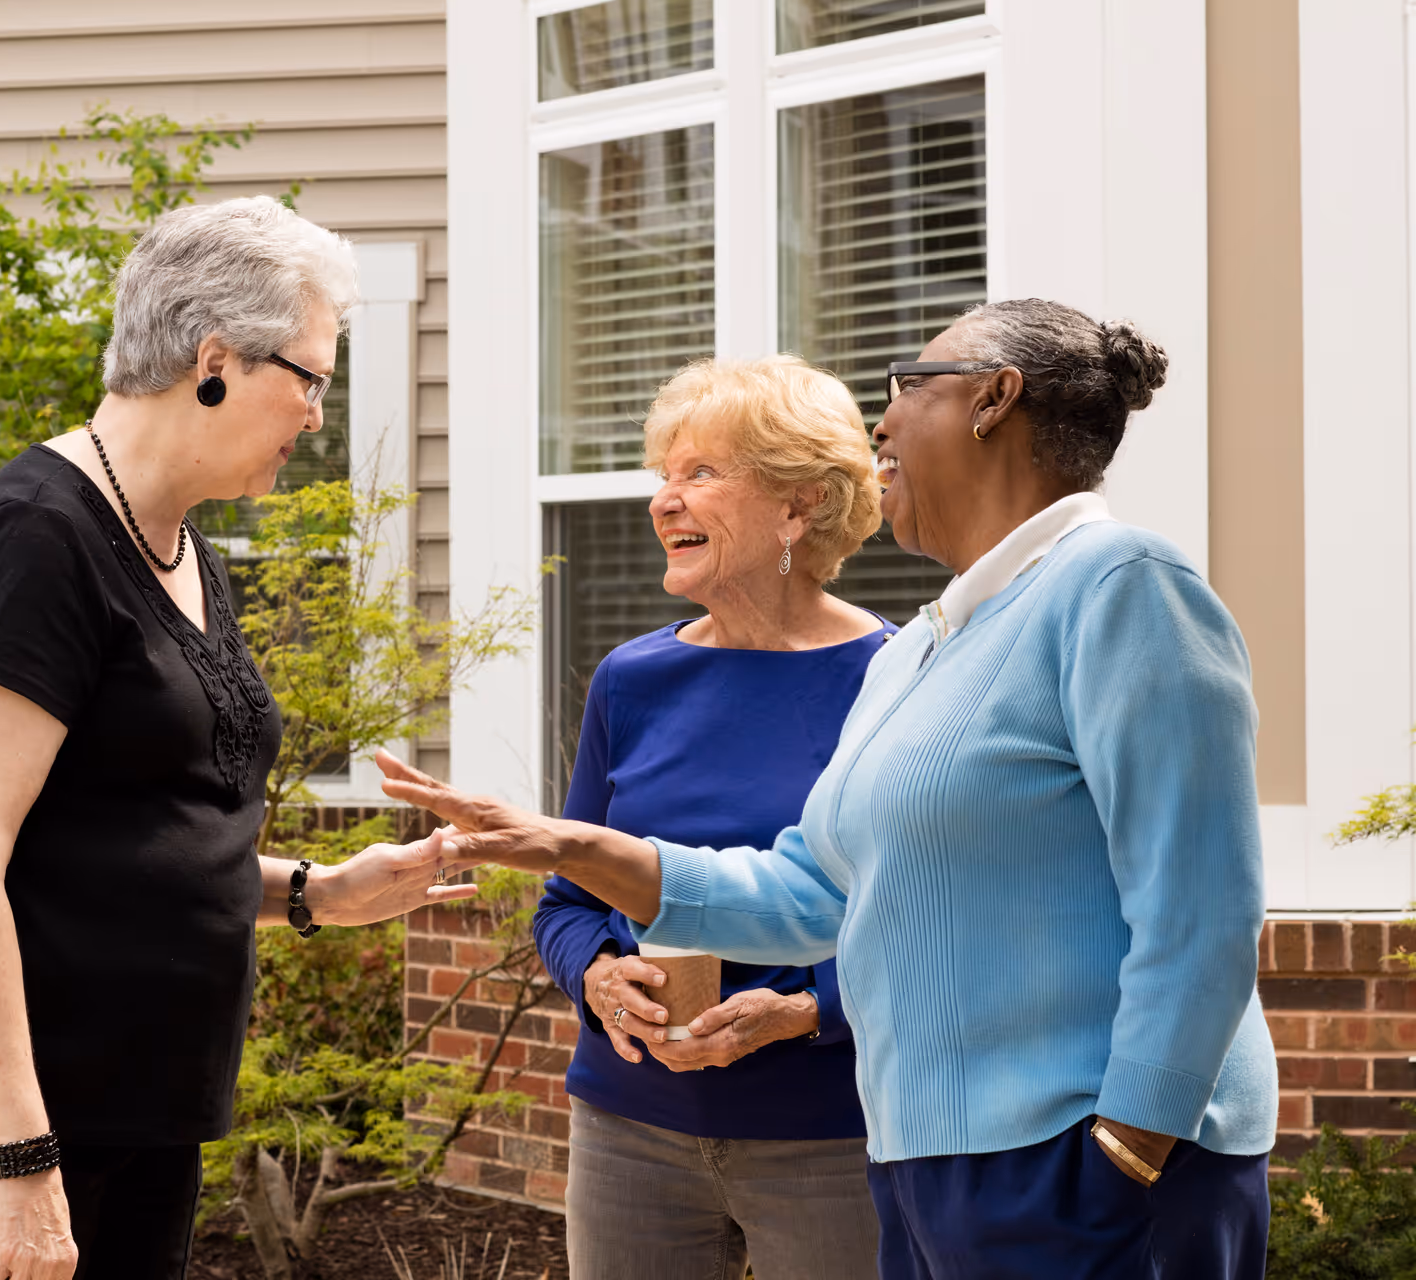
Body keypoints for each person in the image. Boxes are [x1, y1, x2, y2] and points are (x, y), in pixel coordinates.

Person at [378, 299, 1276, 1280]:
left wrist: (1130, 1145)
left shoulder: (1119, 584)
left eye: (906, 388)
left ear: (992, 400)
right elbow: (806, 892)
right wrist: (564, 844)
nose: (880, 424)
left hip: (1066, 1164)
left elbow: (1201, 909)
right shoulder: (932, 647)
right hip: (928, 1169)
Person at [0, 196, 476, 1280]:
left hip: (139, 1099)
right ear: (213, 357)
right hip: (15, 1110)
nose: (318, 413)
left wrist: (318, 889)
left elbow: (121, 837)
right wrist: (21, 1158)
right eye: (308, 377)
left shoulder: (177, 543)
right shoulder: (36, 537)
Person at [534, 356, 888, 1278]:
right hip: (625, 1126)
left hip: (831, 1138)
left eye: (700, 473)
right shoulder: (632, 680)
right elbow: (566, 905)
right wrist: (598, 979)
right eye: (664, 474)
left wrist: (809, 1011)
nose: (664, 500)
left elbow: (934, 923)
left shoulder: (897, 682)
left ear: (798, 506)